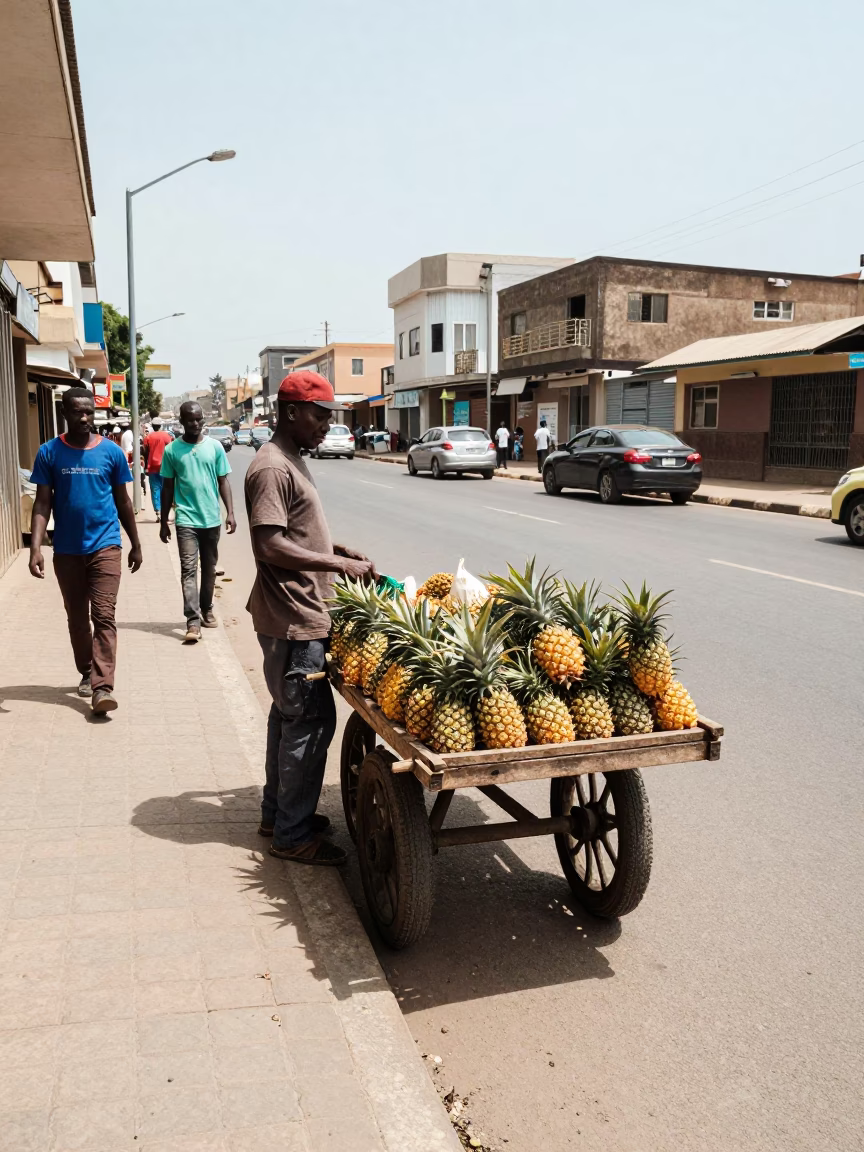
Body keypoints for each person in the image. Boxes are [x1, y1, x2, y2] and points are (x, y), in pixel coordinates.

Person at [245, 370, 374, 866]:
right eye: (320, 416)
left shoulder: (291, 458)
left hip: (294, 610)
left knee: (288, 715)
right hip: (294, 617)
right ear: (291, 412)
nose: (327, 426)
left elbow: (292, 532)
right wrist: (337, 564)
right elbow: (269, 544)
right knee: (309, 722)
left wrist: (331, 547)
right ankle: (292, 834)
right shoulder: (273, 467)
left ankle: (277, 814)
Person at [28, 387, 143, 714]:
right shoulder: (49, 452)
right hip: (66, 551)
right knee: (78, 619)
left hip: (106, 546)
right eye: (78, 412)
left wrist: (136, 543)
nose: (84, 418)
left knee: (104, 616)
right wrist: (35, 548)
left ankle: (102, 687)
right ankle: (85, 670)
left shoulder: (111, 452)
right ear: (65, 413)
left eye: (89, 412)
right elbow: (42, 503)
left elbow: (123, 501)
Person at [159, 401, 236, 643]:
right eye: (189, 419)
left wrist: (230, 512)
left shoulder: (214, 448)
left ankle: (207, 608)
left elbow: (223, 481)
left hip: (211, 520)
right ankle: (192, 621)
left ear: (203, 420)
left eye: (198, 419)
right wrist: (164, 521)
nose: (195, 423)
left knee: (210, 569)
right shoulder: (172, 451)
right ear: (181, 422)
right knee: (188, 570)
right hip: (186, 520)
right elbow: (167, 487)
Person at [142, 417, 173, 516]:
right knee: (166, 489)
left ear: (153, 426)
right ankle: (165, 510)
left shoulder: (148, 437)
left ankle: (158, 511)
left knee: (155, 489)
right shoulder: (167, 436)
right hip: (165, 467)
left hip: (152, 467)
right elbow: (170, 451)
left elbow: (145, 452)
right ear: (160, 426)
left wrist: (146, 466)